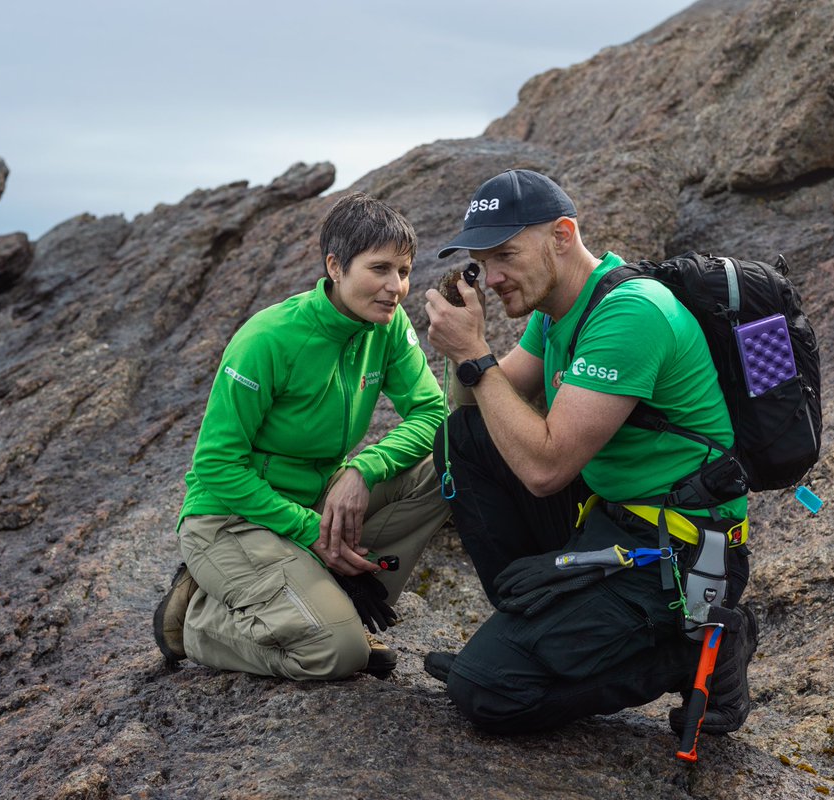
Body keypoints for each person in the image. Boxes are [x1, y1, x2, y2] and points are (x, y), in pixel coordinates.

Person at [422, 169, 758, 735]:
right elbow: (474, 402)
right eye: (483, 262)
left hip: (676, 551)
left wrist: (475, 353)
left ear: (562, 233)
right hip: (609, 519)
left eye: (506, 254)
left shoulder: (630, 314)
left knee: (488, 694)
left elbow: (545, 470)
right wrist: (468, 342)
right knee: (464, 440)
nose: (495, 276)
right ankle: (526, 631)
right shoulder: (555, 311)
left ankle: (698, 650)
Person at [153, 192, 450, 680]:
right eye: (379, 269)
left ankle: (328, 600)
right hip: (234, 519)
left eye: (403, 270)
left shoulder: (388, 326)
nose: (395, 286)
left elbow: (433, 412)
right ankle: (193, 622)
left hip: (317, 501)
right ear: (335, 265)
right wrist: (311, 531)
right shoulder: (268, 338)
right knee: (339, 654)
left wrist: (363, 467)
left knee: (449, 463)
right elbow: (215, 466)